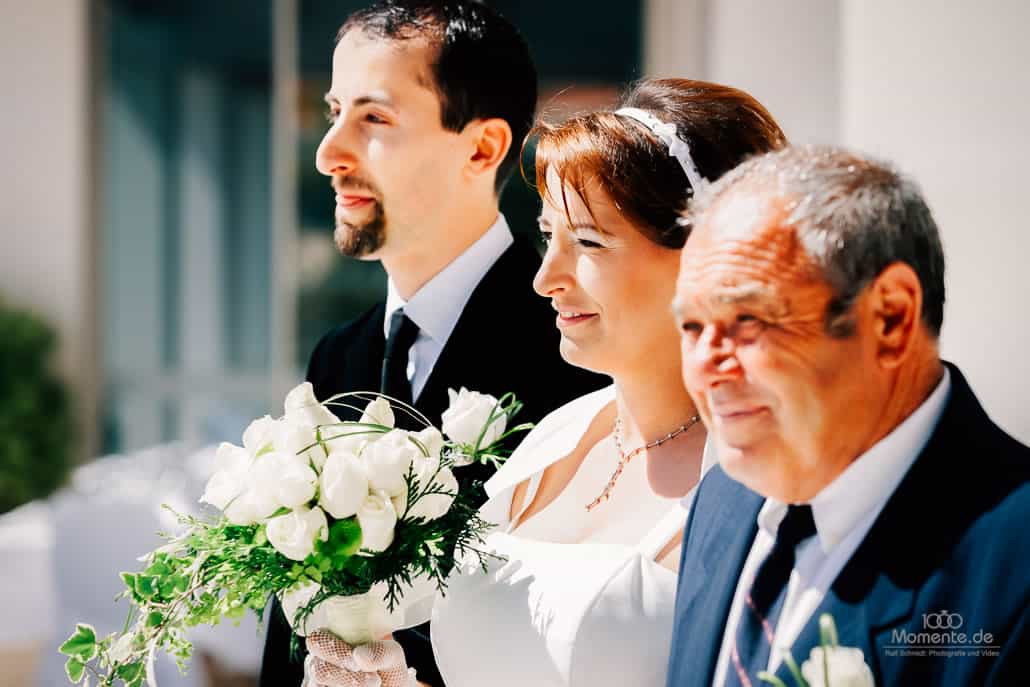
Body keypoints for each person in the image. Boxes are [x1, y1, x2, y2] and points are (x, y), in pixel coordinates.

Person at [303, 78, 787, 687]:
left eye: (586, 242)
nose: (545, 279)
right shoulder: (553, 439)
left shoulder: (763, 483)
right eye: (547, 237)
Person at [259, 2, 608, 686]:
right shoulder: (338, 357)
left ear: (481, 148)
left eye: (374, 118)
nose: (329, 152)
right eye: (334, 112)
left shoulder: (575, 354)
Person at [667, 145, 1030, 686]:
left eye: (747, 319)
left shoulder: (1014, 560)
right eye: (692, 327)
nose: (706, 366)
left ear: (890, 317)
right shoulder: (721, 502)